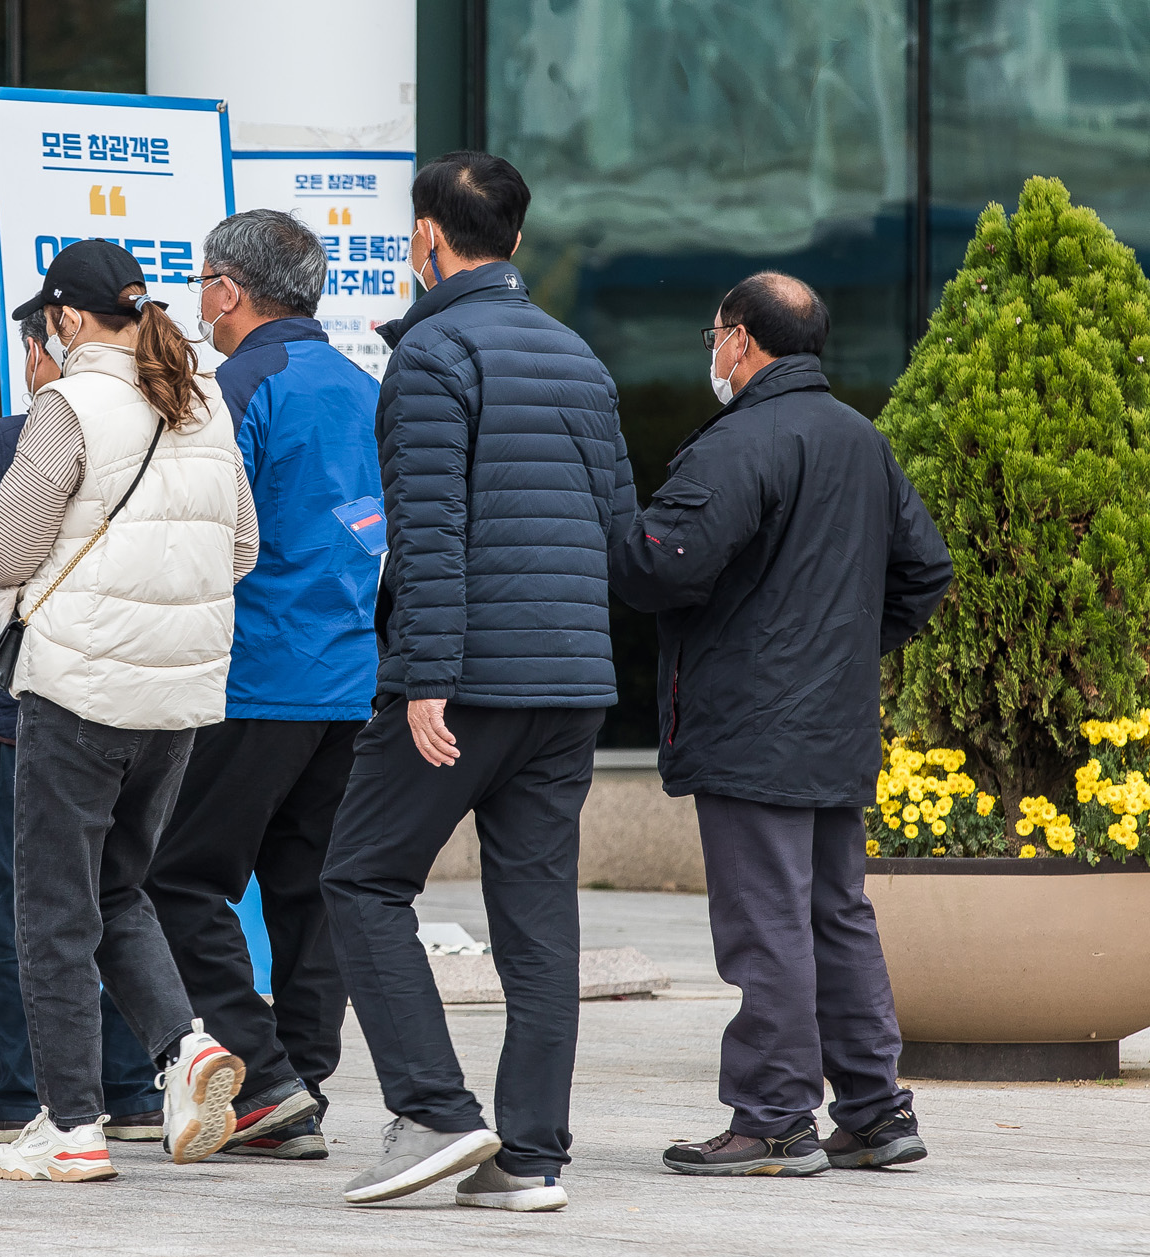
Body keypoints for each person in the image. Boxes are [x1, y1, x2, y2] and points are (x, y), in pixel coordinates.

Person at [319, 152, 636, 1211]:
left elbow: (429, 532)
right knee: (538, 921)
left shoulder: (432, 352)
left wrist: (424, 677)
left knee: (360, 878)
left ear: (427, 237)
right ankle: (529, 1158)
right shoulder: (577, 355)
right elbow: (618, 533)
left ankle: (434, 1112)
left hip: (464, 682)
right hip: (569, 684)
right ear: (516, 237)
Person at [0, 239, 261, 1182]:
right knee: (116, 887)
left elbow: (6, 550)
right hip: (178, 698)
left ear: (66, 318)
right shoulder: (201, 400)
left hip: (77, 692)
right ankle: (185, 1049)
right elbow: (241, 548)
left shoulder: (66, 405)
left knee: (52, 910)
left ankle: (71, 1123)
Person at [610, 272, 951, 1177]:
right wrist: (844, 650)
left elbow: (661, 565)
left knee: (768, 922)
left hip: (751, 728)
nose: (714, 351)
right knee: (836, 913)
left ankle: (773, 1119)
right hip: (832, 725)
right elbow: (926, 571)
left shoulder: (741, 441)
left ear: (742, 340)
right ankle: (875, 1111)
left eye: (716, 334)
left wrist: (616, 522)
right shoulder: (859, 437)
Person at [141, 209, 380, 1161]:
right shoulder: (364, 385)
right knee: (309, 890)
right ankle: (302, 1082)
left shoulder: (234, 387)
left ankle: (265, 1079)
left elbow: (203, 534)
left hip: (254, 675)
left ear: (230, 290)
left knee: (176, 876)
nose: (199, 301)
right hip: (347, 677)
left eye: (202, 282)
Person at [0, 305, 164, 1147]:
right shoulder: (175, 426)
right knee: (117, 897)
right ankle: (131, 1086)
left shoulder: (19, 436)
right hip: (142, 703)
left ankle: (16, 1088)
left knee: (27, 908)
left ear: (41, 349)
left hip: (29, 707)